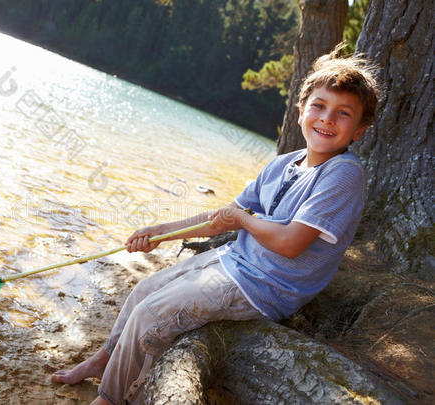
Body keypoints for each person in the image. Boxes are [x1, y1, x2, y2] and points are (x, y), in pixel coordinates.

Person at [51, 45, 381, 405]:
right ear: (301, 110)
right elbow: (222, 217)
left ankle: (110, 399)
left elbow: (290, 244)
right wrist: (161, 231)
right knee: (143, 291)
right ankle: (104, 360)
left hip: (263, 286)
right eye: (319, 106)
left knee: (152, 316)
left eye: (343, 114)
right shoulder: (285, 162)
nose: (327, 119)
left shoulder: (343, 173)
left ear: (359, 131)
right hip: (232, 261)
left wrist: (242, 221)